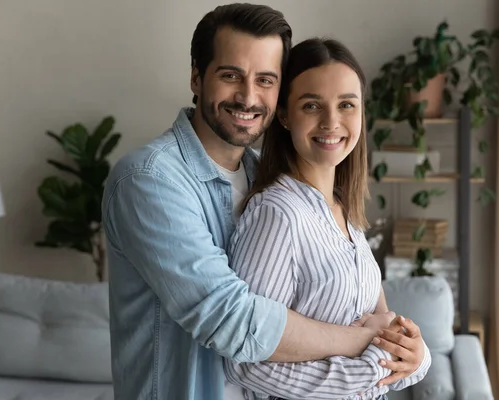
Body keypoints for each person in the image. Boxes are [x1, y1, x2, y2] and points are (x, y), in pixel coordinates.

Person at [103, 4, 403, 400]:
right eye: (231, 76)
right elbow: (232, 319)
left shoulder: (269, 178)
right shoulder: (149, 180)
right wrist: (359, 341)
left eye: (266, 80)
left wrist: (400, 346)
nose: (248, 97)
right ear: (196, 76)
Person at [223, 38, 432, 400]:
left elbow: (390, 335)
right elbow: (246, 361)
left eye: (347, 105)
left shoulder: (346, 215)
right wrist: (369, 367)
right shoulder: (277, 215)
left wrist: (419, 357)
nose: (332, 122)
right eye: (312, 105)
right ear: (285, 115)